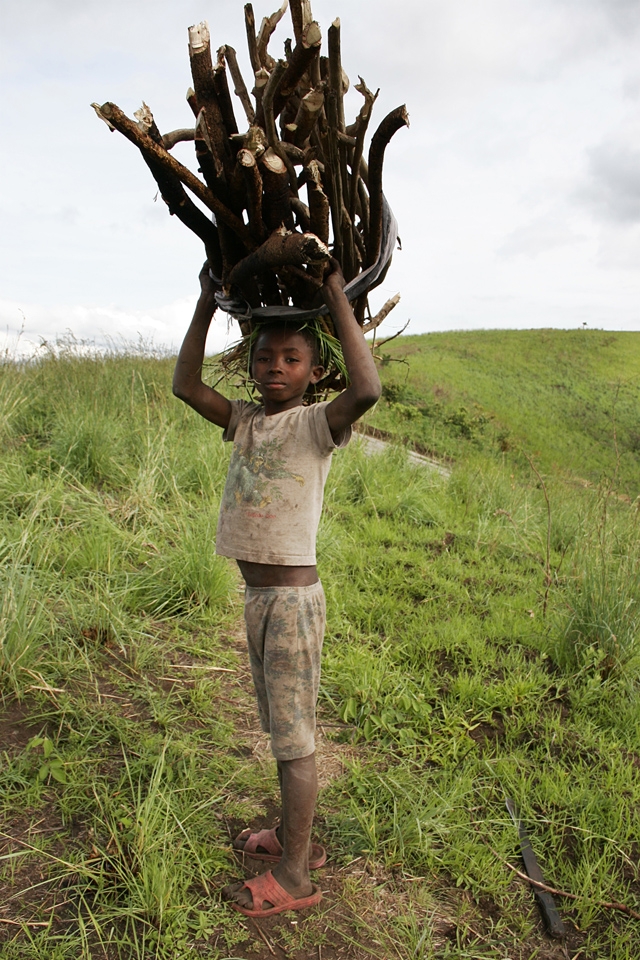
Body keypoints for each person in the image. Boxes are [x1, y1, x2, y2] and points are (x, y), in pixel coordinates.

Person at [172, 257, 381, 918]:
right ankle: (298, 842)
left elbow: (369, 389)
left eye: (292, 358)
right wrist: (206, 303)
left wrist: (331, 294)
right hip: (260, 602)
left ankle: (294, 875)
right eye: (264, 357)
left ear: (314, 372)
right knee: (281, 734)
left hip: (291, 604)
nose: (275, 368)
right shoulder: (245, 421)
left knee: (295, 741)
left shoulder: (317, 425)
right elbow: (184, 385)